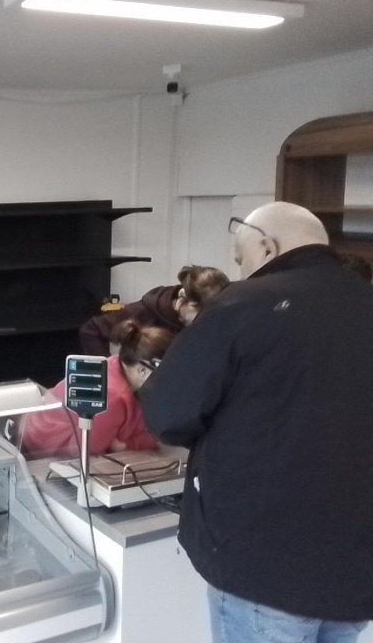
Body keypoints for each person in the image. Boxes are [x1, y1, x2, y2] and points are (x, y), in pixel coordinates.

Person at [138, 202, 373, 643]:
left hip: (265, 562)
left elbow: (169, 414)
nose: (239, 268)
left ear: (267, 246)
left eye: (241, 257)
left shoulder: (241, 305)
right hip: (357, 568)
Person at [20, 320, 173, 457]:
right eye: (168, 373)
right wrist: (132, 444)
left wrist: (131, 443)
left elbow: (149, 434)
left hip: (37, 432)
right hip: (45, 453)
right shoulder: (113, 397)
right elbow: (93, 449)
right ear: (143, 370)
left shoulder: (114, 364)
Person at [78, 265, 229, 357]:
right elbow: (91, 330)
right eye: (202, 314)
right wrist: (109, 373)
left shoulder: (215, 316)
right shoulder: (143, 311)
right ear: (184, 298)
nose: (205, 322)